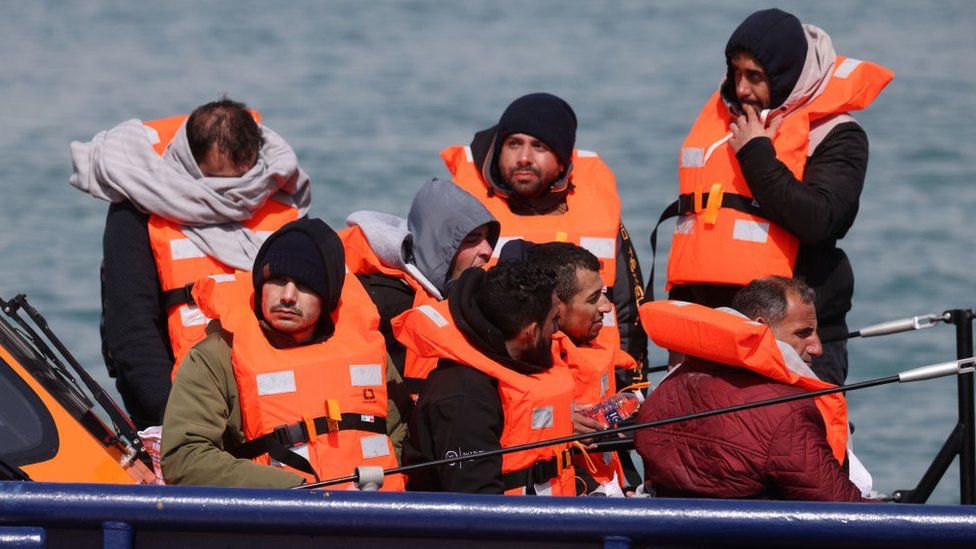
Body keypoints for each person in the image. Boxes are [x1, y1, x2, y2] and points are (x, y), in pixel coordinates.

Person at [659, 9, 893, 385]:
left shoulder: (837, 134)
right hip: (711, 329)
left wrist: (756, 155)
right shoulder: (723, 121)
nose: (742, 89)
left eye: (755, 77)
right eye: (736, 73)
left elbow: (821, 221)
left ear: (786, 76)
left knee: (802, 441)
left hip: (793, 335)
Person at [70, 98, 310, 429]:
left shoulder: (282, 196)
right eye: (219, 187)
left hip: (277, 400)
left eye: (241, 185)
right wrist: (180, 426)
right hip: (179, 403)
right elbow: (131, 331)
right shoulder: (137, 209)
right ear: (191, 163)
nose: (232, 198)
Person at [160, 218, 405, 489]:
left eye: (305, 285)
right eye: (277, 281)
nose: (288, 296)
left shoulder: (368, 349)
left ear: (328, 297)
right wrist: (295, 489)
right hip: (278, 517)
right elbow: (184, 458)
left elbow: (398, 434)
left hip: (375, 512)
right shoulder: (215, 357)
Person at [440, 92, 648, 391]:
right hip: (502, 387)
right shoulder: (468, 219)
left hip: (595, 390)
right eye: (514, 144)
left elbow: (630, 313)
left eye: (539, 146)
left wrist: (634, 391)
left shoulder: (601, 217)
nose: (524, 157)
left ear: (562, 161)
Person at [634, 277, 872, 501]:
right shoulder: (787, 411)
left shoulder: (667, 388)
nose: (817, 348)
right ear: (761, 328)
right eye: (803, 333)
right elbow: (840, 505)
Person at [395, 262, 577, 495]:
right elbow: (476, 505)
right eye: (553, 320)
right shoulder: (464, 399)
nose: (557, 331)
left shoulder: (505, 363)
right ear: (530, 333)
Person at [503, 240, 641, 495]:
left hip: (610, 488)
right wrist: (560, 422)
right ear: (555, 306)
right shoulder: (524, 369)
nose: (606, 307)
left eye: (603, 293)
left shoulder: (587, 347)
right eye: (593, 299)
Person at [340, 178, 500, 395]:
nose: (488, 250)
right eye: (472, 240)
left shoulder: (478, 297)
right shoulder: (386, 301)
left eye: (487, 238)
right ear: (439, 247)